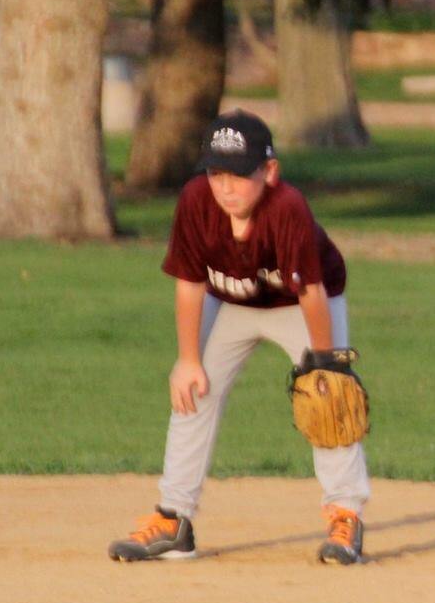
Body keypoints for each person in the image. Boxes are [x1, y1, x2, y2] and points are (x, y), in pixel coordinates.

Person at [107, 109, 370, 566]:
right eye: (216, 173)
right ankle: (174, 520)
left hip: (301, 305)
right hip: (229, 303)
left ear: (269, 172)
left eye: (239, 175)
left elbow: (310, 289)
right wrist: (187, 360)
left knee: (330, 401)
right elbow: (189, 282)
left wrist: (325, 361)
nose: (225, 187)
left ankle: (344, 518)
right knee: (192, 393)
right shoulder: (195, 201)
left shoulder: (287, 207)